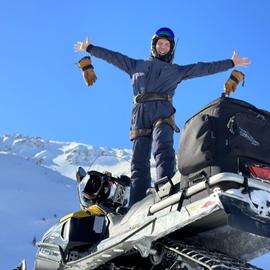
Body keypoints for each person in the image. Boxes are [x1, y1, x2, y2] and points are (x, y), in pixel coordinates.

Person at [74, 27, 251, 206]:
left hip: (162, 112)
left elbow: (202, 68)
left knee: (162, 149)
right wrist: (90, 49)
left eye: (167, 45)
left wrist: (230, 63)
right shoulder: (135, 65)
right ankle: (137, 204)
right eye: (160, 43)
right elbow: (113, 57)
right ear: (154, 45)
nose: (163, 47)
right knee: (138, 162)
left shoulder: (176, 71)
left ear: (171, 49)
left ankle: (167, 194)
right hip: (139, 114)